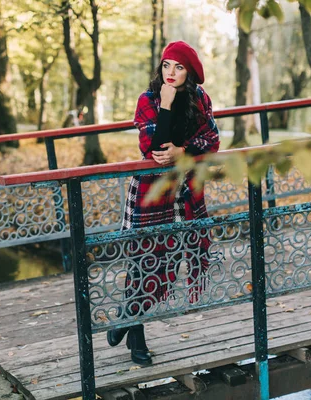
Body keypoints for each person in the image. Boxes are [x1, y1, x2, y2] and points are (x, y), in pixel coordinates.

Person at [107, 41, 220, 365]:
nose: (171, 73)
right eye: (167, 65)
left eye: (179, 67)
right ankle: (135, 335)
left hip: (183, 191)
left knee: (168, 263)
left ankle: (124, 318)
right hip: (151, 191)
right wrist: (167, 106)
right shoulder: (148, 99)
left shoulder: (201, 100)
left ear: (190, 72)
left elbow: (211, 141)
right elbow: (154, 151)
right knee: (144, 262)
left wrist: (183, 152)